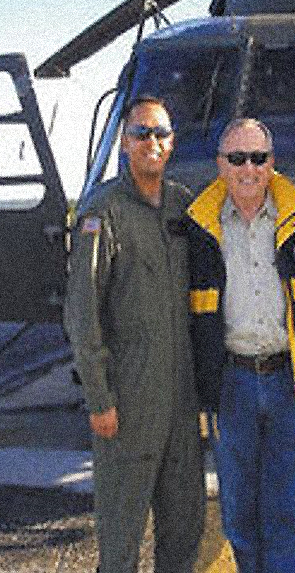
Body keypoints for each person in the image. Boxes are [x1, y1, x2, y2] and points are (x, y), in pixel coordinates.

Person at [64, 97, 205, 573]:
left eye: (161, 133)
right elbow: (82, 313)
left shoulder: (184, 206)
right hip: (127, 403)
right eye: (141, 133)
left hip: (182, 404)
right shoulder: (102, 211)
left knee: (184, 529)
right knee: (121, 537)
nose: (152, 142)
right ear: (124, 144)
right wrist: (99, 398)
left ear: (172, 143)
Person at [185, 118, 295, 573]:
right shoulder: (199, 228)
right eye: (237, 158)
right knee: (239, 510)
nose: (249, 168)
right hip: (232, 384)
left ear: (272, 163)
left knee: (287, 508)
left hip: (289, 382)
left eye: (259, 158)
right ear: (220, 165)